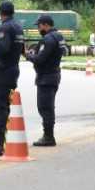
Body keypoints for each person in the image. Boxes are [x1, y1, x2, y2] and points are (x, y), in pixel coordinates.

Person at [0, 0, 25, 156]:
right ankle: (8, 140)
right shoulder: (18, 27)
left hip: (3, 73)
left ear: (0, 13)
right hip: (13, 70)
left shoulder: (5, 28)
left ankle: (1, 144)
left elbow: (2, 49)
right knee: (7, 107)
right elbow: (21, 49)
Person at [26, 14, 64, 146]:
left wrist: (28, 55)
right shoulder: (59, 36)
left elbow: (40, 59)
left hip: (46, 77)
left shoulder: (47, 39)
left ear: (46, 25)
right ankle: (48, 135)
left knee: (45, 107)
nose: (38, 29)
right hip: (54, 74)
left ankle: (48, 137)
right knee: (48, 107)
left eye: (39, 26)